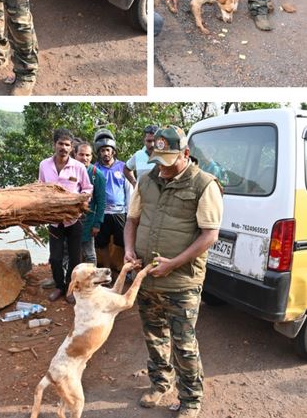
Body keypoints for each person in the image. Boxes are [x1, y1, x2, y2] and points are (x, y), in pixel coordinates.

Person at [124, 125, 223, 417]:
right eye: (158, 161)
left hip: (181, 282)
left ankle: (191, 399)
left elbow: (209, 235)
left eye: (169, 161)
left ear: (186, 153)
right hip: (146, 279)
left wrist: (172, 264)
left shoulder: (204, 184)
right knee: (154, 336)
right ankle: (160, 383)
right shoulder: (146, 180)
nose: (163, 169)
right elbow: (132, 221)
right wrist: (129, 249)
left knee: (183, 344)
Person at [39, 128, 93, 302]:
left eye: (67, 144)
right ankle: (59, 286)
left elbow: (87, 188)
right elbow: (40, 188)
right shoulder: (44, 165)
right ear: (54, 144)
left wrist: (79, 201)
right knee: (55, 258)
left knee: (75, 257)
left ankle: (70, 289)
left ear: (71, 147)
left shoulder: (78, 167)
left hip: (74, 219)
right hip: (53, 219)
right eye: (60, 143)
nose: (63, 147)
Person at [93, 129, 132, 270]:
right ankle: (107, 269)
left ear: (113, 151)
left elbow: (129, 190)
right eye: (102, 150)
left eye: (108, 150)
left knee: (122, 242)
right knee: (101, 243)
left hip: (119, 212)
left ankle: (122, 268)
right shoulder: (94, 169)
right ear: (98, 152)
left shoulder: (123, 167)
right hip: (101, 213)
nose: (105, 153)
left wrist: (129, 212)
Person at [74, 141, 106, 265]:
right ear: (75, 155)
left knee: (89, 254)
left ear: (92, 156)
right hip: (69, 219)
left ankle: (92, 281)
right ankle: (67, 281)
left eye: (87, 155)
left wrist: (97, 223)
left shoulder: (96, 175)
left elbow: (101, 202)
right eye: (81, 154)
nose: (84, 158)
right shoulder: (70, 170)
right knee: (67, 251)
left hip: (88, 221)